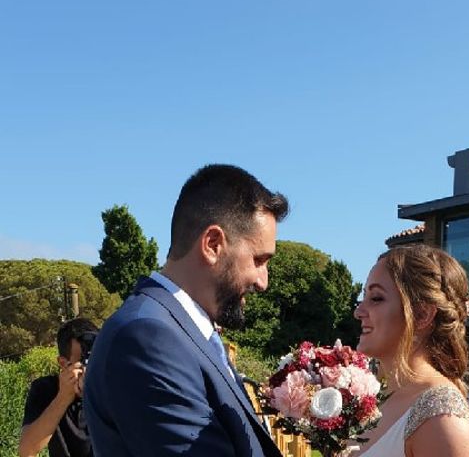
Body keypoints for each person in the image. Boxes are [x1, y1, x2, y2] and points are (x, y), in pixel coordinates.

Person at [84, 164, 288, 457]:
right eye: (258, 259)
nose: (263, 281)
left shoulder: (184, 332)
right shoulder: (147, 338)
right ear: (213, 244)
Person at [352, 244, 469, 457]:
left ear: (422, 315)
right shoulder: (375, 398)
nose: (358, 312)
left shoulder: (442, 417)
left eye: (376, 298)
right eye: (363, 297)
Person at [19, 318, 99, 457]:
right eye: (83, 362)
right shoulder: (46, 389)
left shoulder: (111, 387)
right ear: (63, 363)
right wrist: (63, 397)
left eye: (96, 360)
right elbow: (27, 450)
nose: (90, 370)